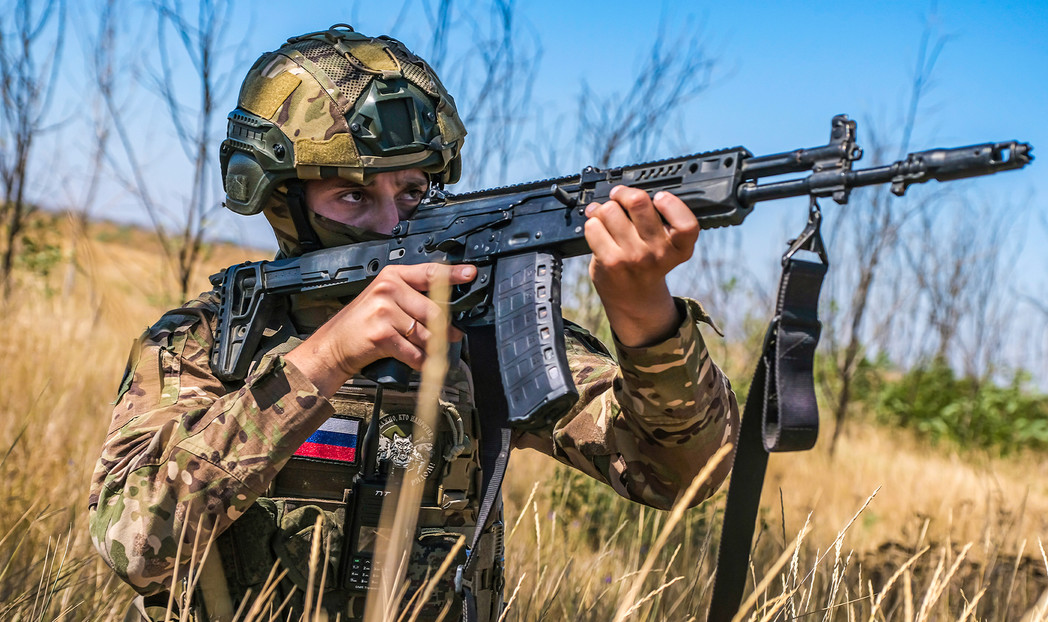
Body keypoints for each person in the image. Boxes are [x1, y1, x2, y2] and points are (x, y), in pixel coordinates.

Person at [89, 25, 738, 621]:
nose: (393, 223)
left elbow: (681, 475)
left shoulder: (479, 332)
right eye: (353, 195)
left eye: (413, 193)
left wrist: (645, 317)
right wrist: (322, 362)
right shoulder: (208, 345)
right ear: (281, 197)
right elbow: (135, 549)